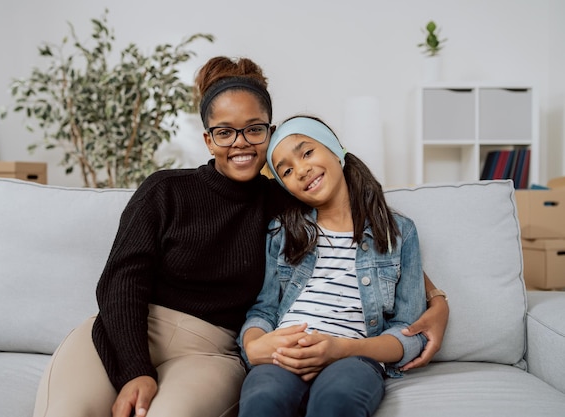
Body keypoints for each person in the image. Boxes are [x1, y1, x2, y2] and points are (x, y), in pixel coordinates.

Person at [32, 57, 448, 417]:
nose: (241, 144)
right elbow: (122, 279)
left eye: (253, 130)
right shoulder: (165, 190)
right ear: (208, 139)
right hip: (126, 330)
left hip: (208, 351)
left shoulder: (284, 204)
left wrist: (438, 302)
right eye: (225, 132)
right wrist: (134, 370)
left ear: (268, 133)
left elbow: (373, 248)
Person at [238, 115, 433, 417]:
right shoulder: (282, 231)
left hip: (352, 358)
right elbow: (263, 311)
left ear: (336, 150)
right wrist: (256, 345)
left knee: (336, 401)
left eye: (307, 152)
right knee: (263, 399)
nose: (301, 170)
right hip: (286, 354)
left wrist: (341, 349)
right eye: (287, 171)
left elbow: (407, 333)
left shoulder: (399, 233)